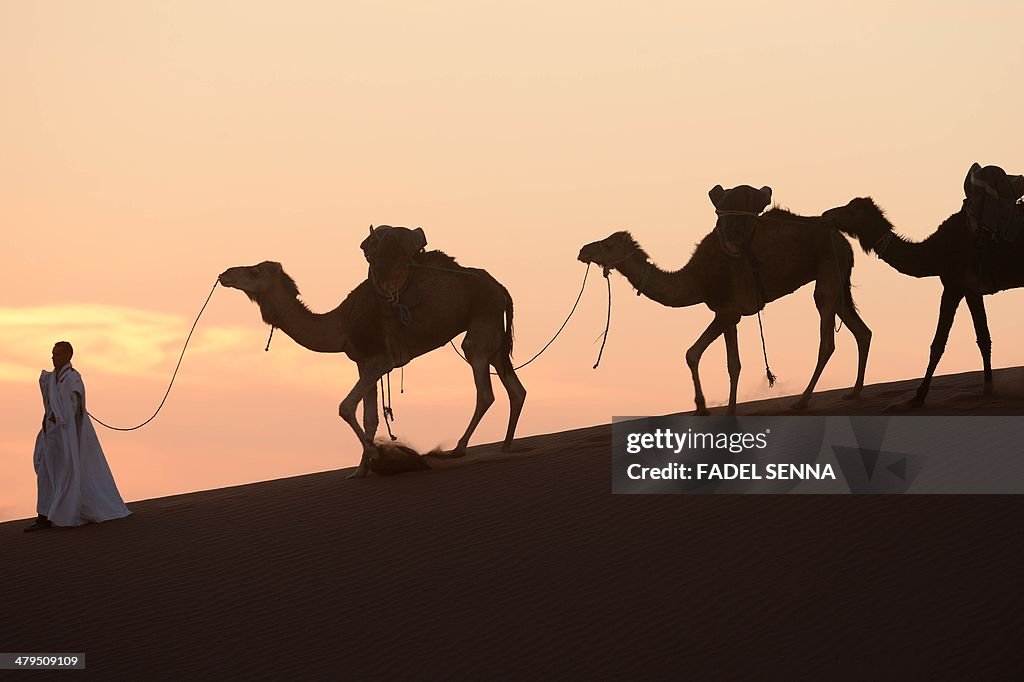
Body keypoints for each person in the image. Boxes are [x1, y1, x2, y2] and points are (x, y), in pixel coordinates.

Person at [25, 341, 132, 531]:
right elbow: (51, 403)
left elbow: (73, 406)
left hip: (67, 437)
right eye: (52, 354)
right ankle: (44, 515)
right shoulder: (52, 379)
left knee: (67, 472)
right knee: (45, 472)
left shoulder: (73, 379)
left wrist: (58, 416)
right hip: (51, 435)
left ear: (67, 356)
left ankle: (59, 514)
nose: (53, 357)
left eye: (57, 354)